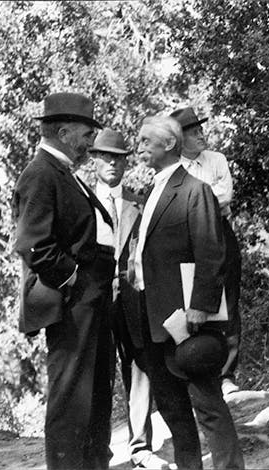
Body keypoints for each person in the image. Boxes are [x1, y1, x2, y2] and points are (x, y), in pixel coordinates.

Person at [129, 115, 244, 469]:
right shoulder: (152, 192)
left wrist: (200, 308)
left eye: (147, 141)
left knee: (207, 405)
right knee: (173, 411)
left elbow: (211, 252)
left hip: (186, 321)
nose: (140, 147)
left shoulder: (195, 189)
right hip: (153, 319)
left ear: (168, 144)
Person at [13, 92, 116, 469]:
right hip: (72, 303)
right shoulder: (40, 173)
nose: (91, 140)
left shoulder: (63, 173)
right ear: (63, 131)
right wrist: (76, 281)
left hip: (91, 300)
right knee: (71, 399)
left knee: (94, 395)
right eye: (87, 133)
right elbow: (33, 244)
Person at [89, 129, 170, 469]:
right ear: (93, 160)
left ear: (126, 162)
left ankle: (140, 448)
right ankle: (98, 452)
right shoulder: (82, 201)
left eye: (118, 156)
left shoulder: (141, 202)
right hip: (95, 304)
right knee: (97, 376)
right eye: (105, 156)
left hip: (135, 302)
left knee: (140, 372)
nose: (111, 162)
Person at [170, 106, 243, 396]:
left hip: (221, 233)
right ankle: (199, 373)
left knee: (230, 300)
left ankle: (227, 374)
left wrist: (196, 201)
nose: (202, 135)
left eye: (201, 129)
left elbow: (226, 195)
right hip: (187, 241)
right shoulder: (175, 167)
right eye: (194, 131)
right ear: (179, 138)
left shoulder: (216, 159)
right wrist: (204, 198)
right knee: (194, 300)